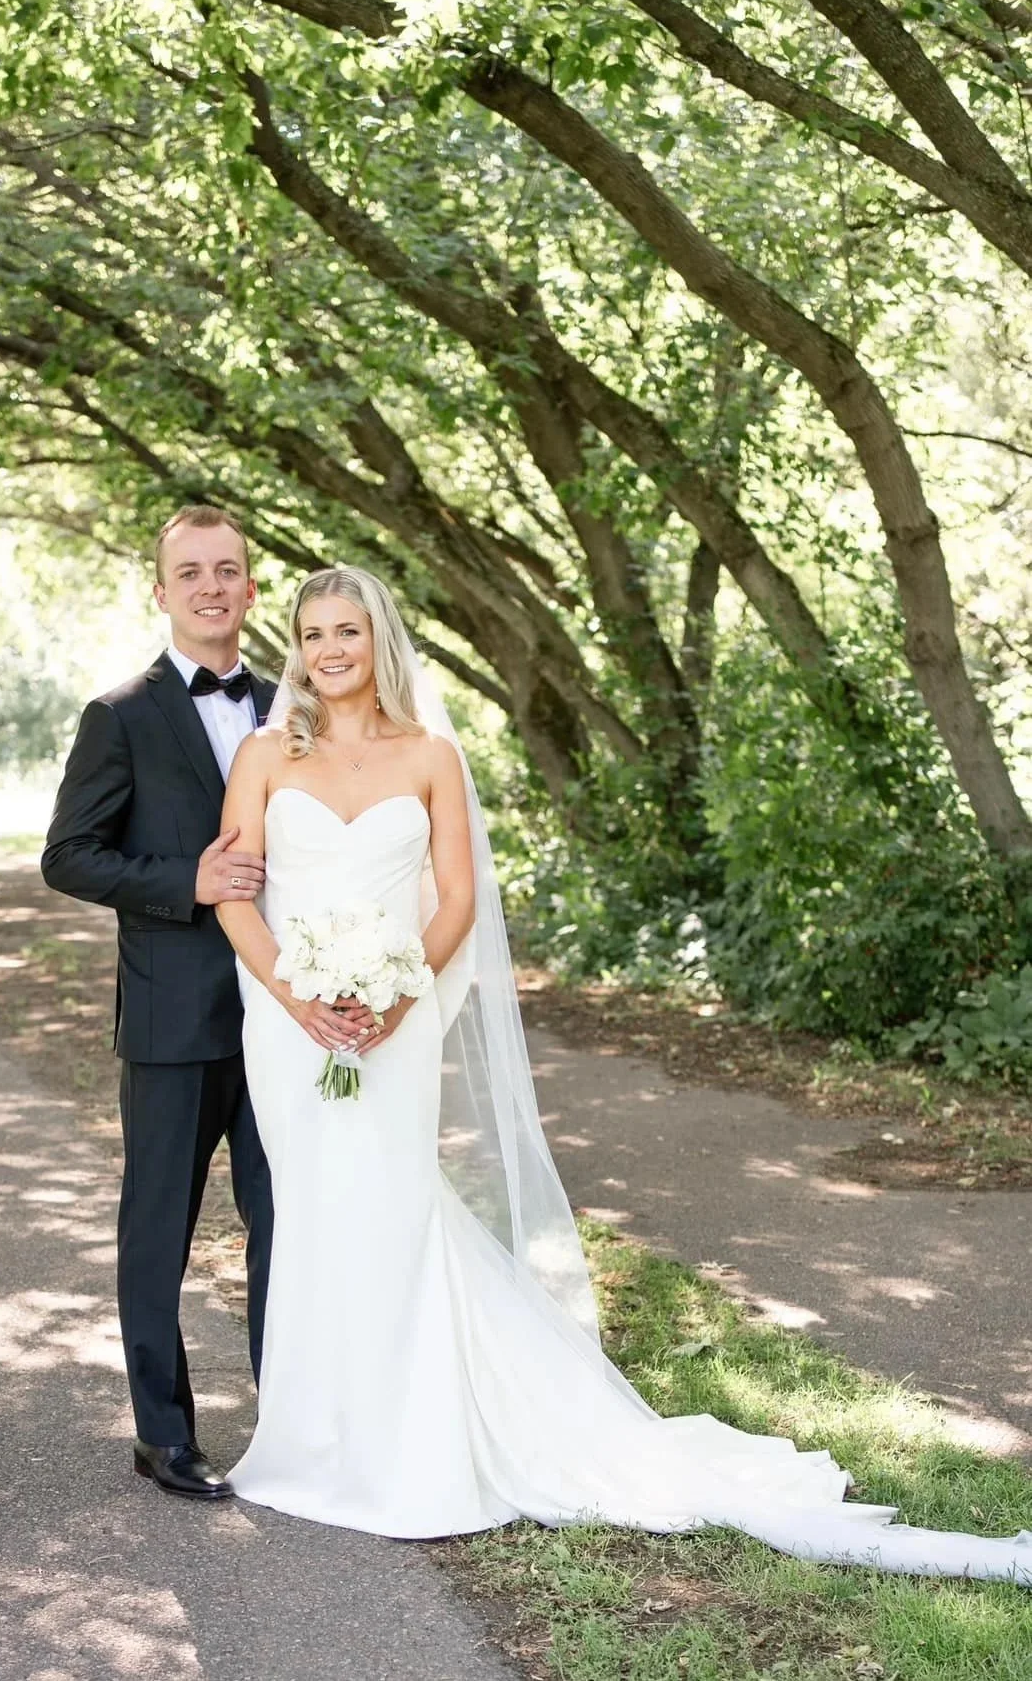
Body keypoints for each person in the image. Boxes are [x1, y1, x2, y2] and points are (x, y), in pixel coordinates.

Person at [214, 563, 1031, 1580]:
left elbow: (458, 899)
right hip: (290, 1025)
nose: (327, 650)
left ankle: (403, 1446)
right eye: (311, 633)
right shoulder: (260, 756)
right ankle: (317, 1440)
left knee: (390, 1209)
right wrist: (299, 1000)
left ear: (378, 639)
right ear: (294, 646)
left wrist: (390, 1000)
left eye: (346, 630)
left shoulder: (429, 756)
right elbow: (235, 894)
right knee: (311, 1213)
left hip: (394, 1019)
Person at [40, 507, 347, 1501]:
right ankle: (162, 1434)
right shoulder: (119, 714)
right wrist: (189, 882)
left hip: (281, 1017)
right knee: (157, 1229)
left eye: (229, 570)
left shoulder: (297, 708)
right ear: (163, 591)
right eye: (191, 573)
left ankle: (290, 1421)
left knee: (287, 1225)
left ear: (252, 589)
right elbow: (68, 856)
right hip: (173, 1020)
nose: (212, 587)